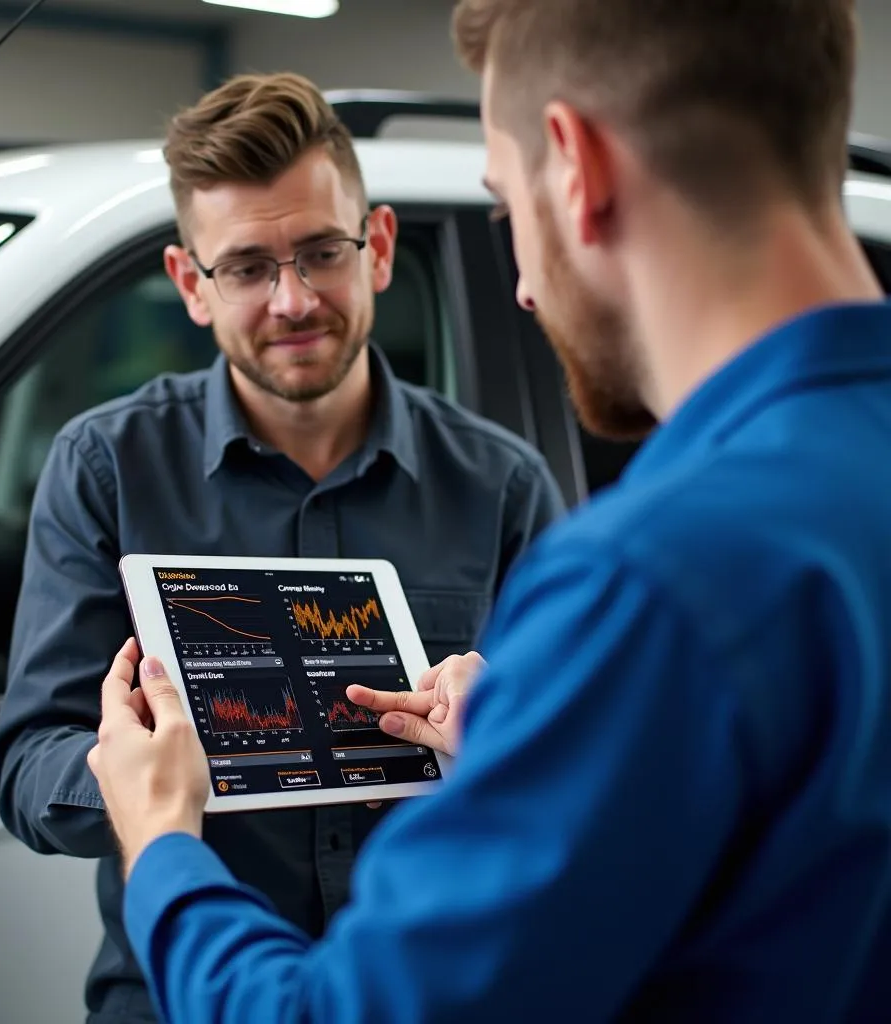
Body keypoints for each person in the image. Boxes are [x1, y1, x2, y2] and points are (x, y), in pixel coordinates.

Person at [87, 0, 891, 1021]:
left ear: (576, 167)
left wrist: (161, 840)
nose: (518, 285)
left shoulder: (644, 582)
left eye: (507, 210)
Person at [0, 70, 565, 1024]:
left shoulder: (503, 485)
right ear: (191, 285)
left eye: (320, 252)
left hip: (425, 993)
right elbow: (29, 762)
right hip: (177, 999)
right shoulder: (105, 467)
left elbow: (570, 775)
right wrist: (146, 774)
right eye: (248, 267)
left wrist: (503, 740)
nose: (292, 301)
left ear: (376, 248)